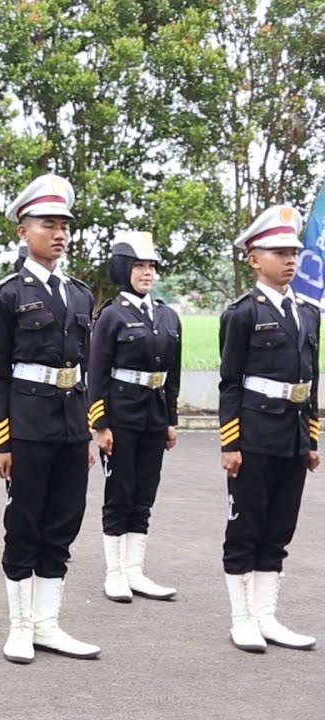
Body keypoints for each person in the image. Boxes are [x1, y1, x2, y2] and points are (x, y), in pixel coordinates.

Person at [0, 174, 99, 663]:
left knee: (63, 523)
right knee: (25, 522)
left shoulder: (79, 294)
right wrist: (2, 442)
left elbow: (86, 368)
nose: (59, 234)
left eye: (64, 226)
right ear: (22, 230)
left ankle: (48, 624)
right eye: (47, 224)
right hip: (28, 425)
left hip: (72, 424)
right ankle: (19, 626)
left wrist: (92, 430)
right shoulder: (6, 295)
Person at [219, 205, 318, 653]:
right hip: (256, 434)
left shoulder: (309, 312)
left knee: (279, 529)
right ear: (254, 259)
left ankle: (267, 617)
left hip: (293, 436)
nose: (290, 259)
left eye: (294, 251)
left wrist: (312, 438)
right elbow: (230, 382)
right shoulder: (242, 313)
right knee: (247, 528)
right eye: (279, 252)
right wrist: (231, 442)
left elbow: (310, 382)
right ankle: (242, 619)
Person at [86, 232, 180, 603]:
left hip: (155, 413)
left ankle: (135, 571)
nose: (148, 273)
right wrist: (100, 423)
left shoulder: (168, 316)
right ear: (124, 270)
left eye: (152, 266)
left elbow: (172, 374)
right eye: (140, 266)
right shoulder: (111, 316)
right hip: (122, 414)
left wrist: (171, 419)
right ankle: (114, 573)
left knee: (144, 493)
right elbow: (97, 371)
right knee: (120, 492)